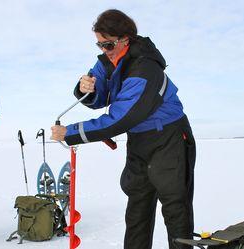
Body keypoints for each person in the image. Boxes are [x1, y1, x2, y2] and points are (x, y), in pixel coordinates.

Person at [50, 9, 196, 249]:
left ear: (125, 39)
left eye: (107, 45)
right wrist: (85, 88)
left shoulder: (146, 69)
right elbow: (98, 98)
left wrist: (72, 133)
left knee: (175, 208)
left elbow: (120, 119)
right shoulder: (109, 61)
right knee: (137, 208)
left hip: (169, 139)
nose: (103, 51)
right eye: (99, 45)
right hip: (139, 141)